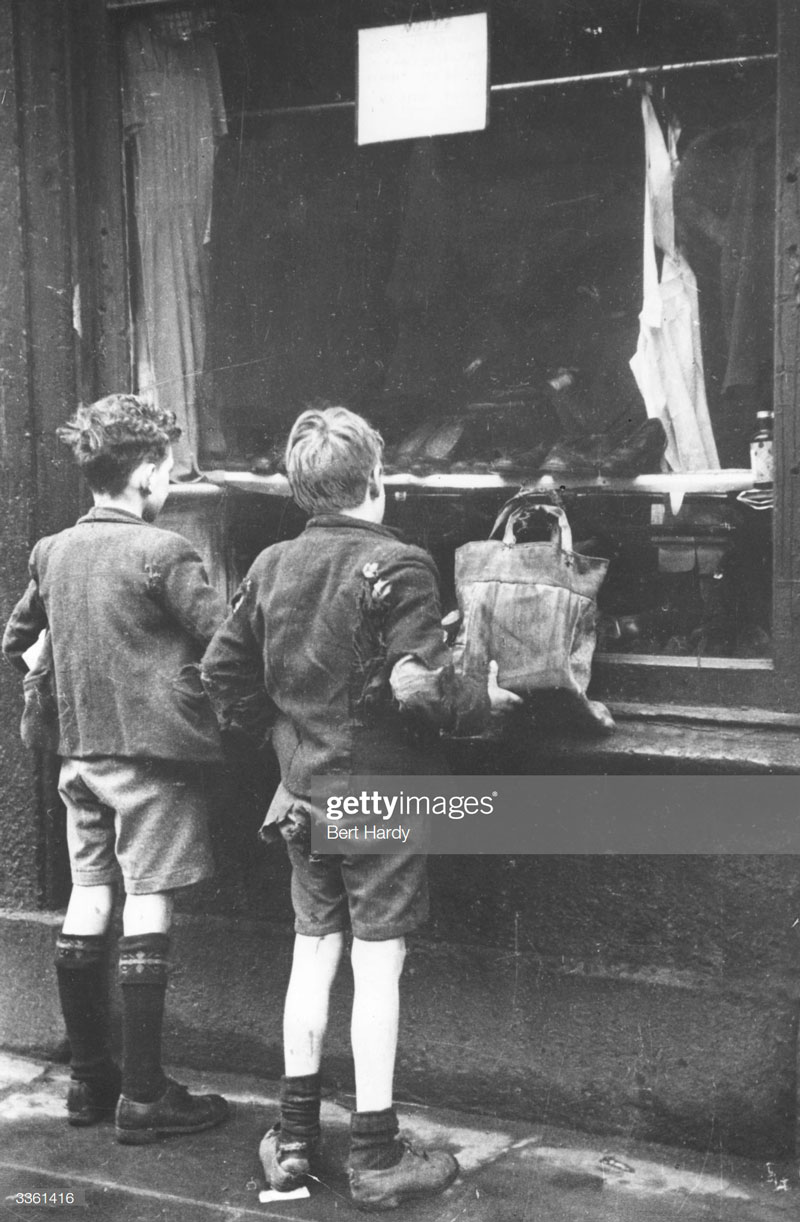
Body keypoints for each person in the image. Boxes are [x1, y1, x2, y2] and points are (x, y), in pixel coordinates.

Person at [201, 405, 520, 1209]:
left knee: (313, 957)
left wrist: (282, 740)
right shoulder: (400, 563)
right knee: (379, 968)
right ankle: (376, 1157)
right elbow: (419, 688)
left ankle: (296, 1144)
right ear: (376, 481)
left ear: (304, 490)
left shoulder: (272, 563)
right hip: (383, 800)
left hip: (304, 797)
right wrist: (485, 702)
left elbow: (221, 672)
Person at [2, 394, 229, 1145]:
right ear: (146, 477)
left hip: (80, 758)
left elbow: (18, 640)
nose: (165, 484)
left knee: (89, 897)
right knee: (148, 904)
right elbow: (225, 645)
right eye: (164, 470)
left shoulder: (52, 550)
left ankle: (88, 1081)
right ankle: (144, 1096)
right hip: (154, 762)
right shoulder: (163, 552)